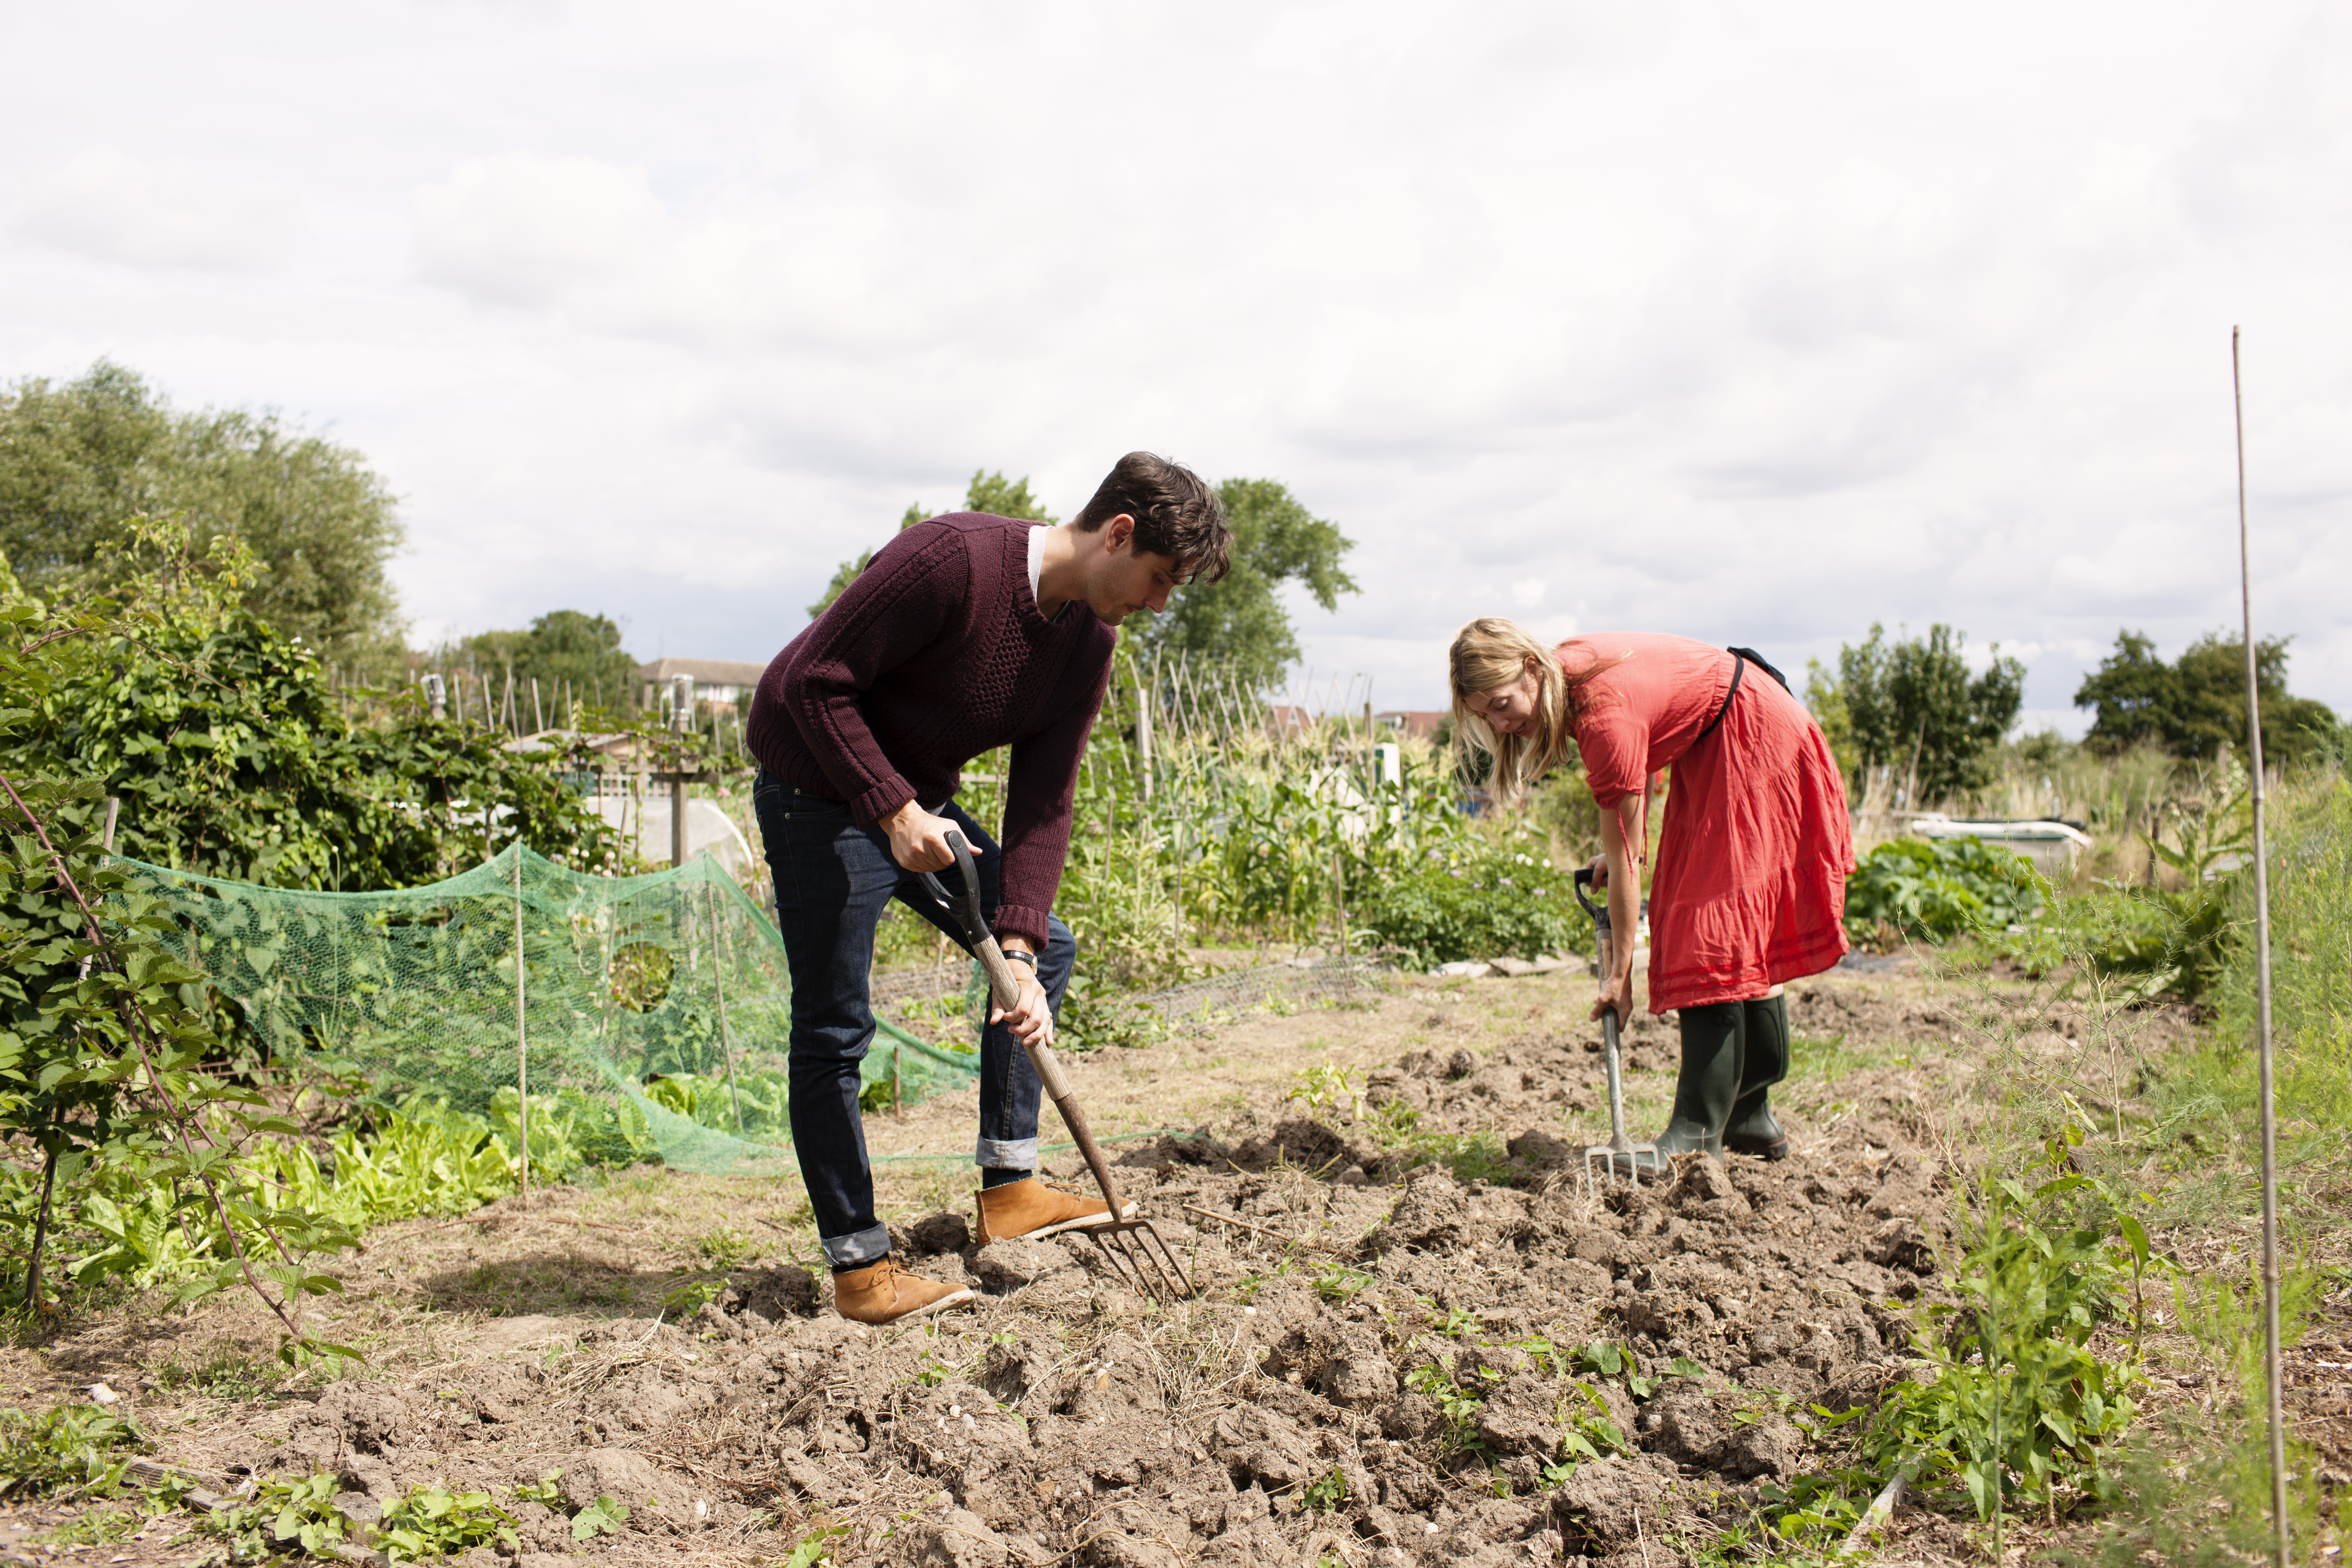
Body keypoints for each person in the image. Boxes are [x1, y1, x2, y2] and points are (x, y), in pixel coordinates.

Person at [746, 454, 1232, 1323]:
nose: (1161, 603)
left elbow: (1045, 800)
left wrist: (1016, 951)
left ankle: (1011, 1189)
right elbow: (808, 683)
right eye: (1160, 579)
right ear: (1118, 533)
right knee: (834, 1025)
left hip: (914, 794)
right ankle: (861, 1268)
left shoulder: (1088, 641)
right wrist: (893, 810)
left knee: (1045, 944)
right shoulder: (954, 561)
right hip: (816, 788)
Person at [1447, 619, 1854, 1171]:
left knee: (1712, 929)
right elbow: (1632, 810)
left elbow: (1626, 861)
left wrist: (1620, 975)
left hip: (1753, 737)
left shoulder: (1600, 711)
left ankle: (1698, 1131)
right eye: (1485, 714)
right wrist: (1619, 857)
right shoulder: (1571, 679)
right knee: (1717, 920)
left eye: (1501, 703)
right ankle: (1748, 1117)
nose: (1501, 722)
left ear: (1531, 669)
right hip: (1719, 738)